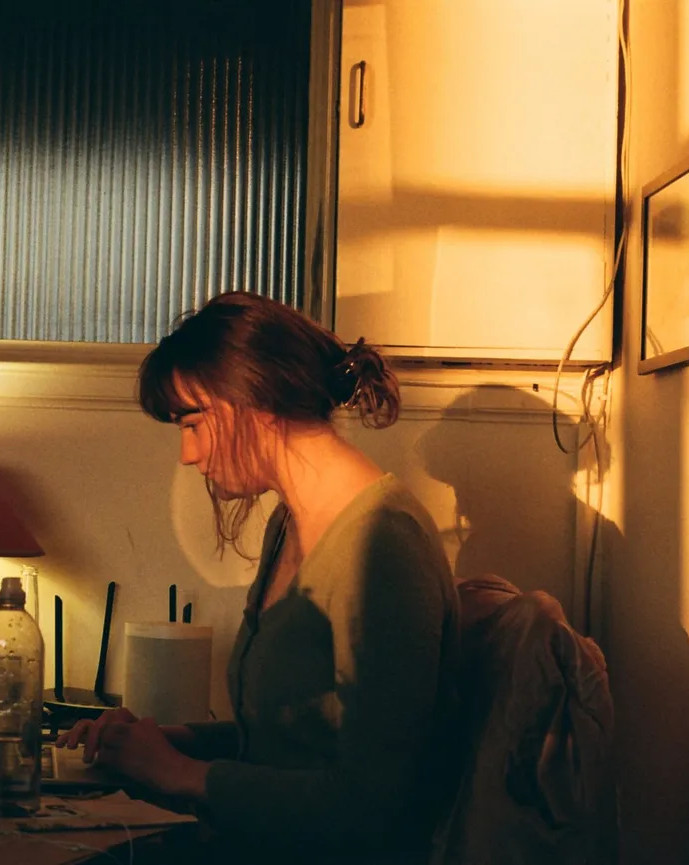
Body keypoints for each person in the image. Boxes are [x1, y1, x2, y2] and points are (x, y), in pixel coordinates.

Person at [57, 292, 461, 861]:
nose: (187, 454)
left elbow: (372, 804)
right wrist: (167, 743)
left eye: (193, 423)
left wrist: (179, 773)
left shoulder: (383, 542)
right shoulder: (288, 523)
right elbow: (288, 741)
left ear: (258, 399)